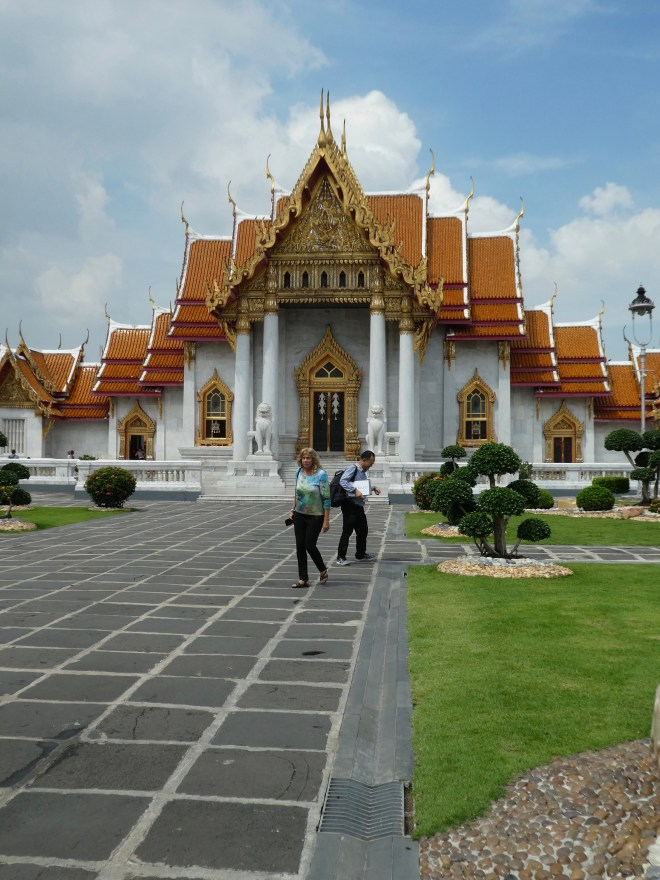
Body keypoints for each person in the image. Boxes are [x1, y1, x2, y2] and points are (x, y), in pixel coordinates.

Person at [289, 447, 331, 588]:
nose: (305, 460)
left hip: (316, 515)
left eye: (308, 458)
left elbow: (326, 498)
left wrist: (326, 520)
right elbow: (297, 493)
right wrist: (293, 509)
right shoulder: (298, 472)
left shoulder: (321, 475)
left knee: (309, 545)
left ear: (313, 460)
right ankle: (303, 578)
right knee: (300, 546)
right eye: (303, 458)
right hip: (300, 514)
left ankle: (322, 569)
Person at [336, 449, 381, 566]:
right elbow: (343, 481)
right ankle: (341, 557)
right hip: (350, 505)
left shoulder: (362, 471)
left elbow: (362, 485)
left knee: (363, 530)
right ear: (364, 460)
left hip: (358, 505)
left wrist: (373, 488)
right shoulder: (353, 468)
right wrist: (354, 490)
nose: (371, 466)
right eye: (370, 463)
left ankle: (360, 554)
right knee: (347, 531)